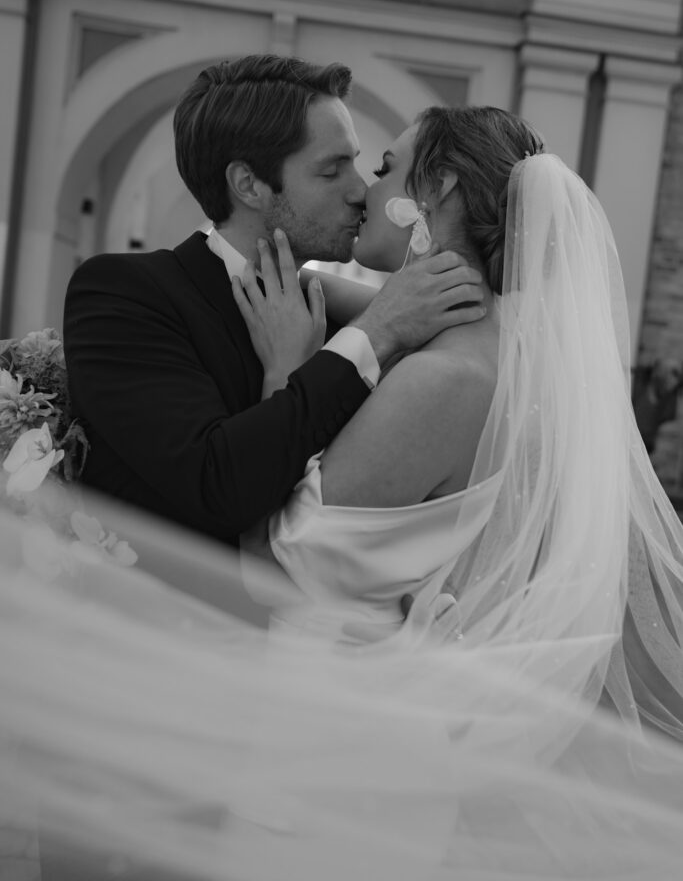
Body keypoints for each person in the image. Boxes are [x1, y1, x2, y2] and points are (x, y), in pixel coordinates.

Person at [4, 104, 683, 880]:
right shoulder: (499, 353)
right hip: (364, 735)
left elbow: (273, 562)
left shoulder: (441, 380)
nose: (365, 189)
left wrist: (284, 374)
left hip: (325, 747)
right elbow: (313, 292)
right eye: (344, 169)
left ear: (438, 190)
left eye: (385, 168)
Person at [62, 55, 485, 548]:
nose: (360, 191)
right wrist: (374, 332)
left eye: (356, 163)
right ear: (249, 185)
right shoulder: (124, 294)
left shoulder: (339, 316)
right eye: (332, 171)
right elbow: (215, 486)